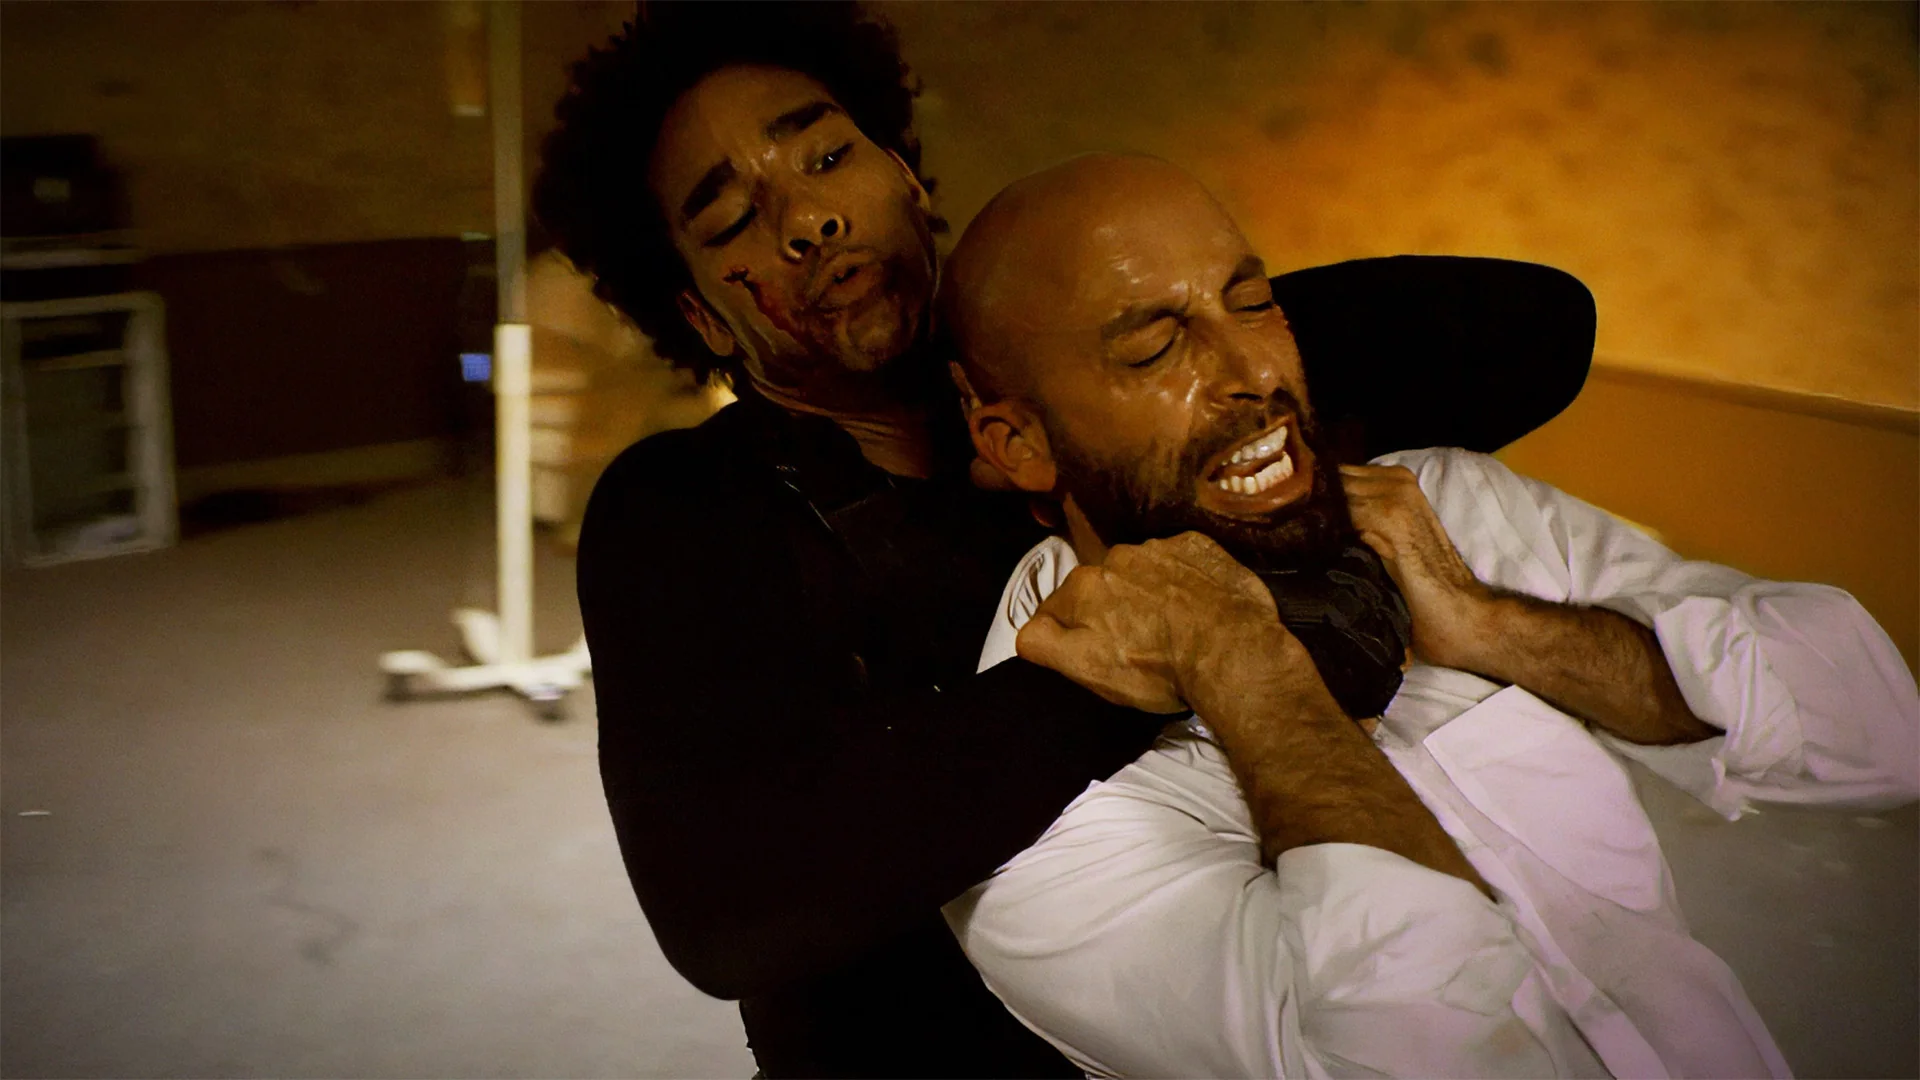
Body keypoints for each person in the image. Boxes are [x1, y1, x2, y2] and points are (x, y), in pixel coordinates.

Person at [534, 4, 1600, 1075]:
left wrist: (1161, 325)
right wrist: (1136, 667)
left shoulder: (1082, 393)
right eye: (733, 222)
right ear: (702, 316)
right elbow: (725, 911)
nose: (807, 219)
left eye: (826, 158)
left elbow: (1540, 330)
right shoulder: (683, 511)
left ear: (905, 177)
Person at [936, 152, 1920, 1078]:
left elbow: (1877, 733)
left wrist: (1496, 626)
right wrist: (1246, 670)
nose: (1256, 374)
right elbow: (1443, 1055)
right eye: (1155, 348)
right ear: (1020, 442)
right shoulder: (1027, 827)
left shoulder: (1442, 507)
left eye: (1253, 302)